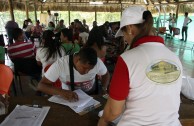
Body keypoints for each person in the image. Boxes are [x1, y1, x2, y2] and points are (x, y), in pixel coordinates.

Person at [98, 6, 182, 126]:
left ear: (130, 28)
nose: (125, 39)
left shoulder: (127, 59)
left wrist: (104, 120)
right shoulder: (174, 58)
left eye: (124, 34)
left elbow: (113, 111)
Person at [37, 47, 110, 101]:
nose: (86, 72)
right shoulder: (60, 65)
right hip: (69, 98)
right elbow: (41, 85)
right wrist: (61, 92)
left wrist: (104, 88)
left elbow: (106, 74)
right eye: (84, 68)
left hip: (92, 95)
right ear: (77, 59)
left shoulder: (98, 63)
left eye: (90, 69)